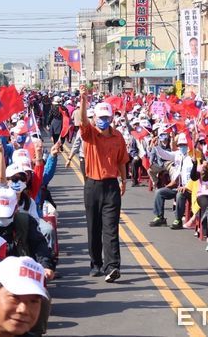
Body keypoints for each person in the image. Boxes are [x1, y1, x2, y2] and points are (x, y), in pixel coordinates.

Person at [79, 86, 130, 282]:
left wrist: (124, 180)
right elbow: (83, 121)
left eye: (106, 117)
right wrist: (83, 99)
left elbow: (122, 161)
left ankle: (112, 266)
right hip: (92, 186)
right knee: (94, 227)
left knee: (111, 228)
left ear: (111, 118)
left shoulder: (118, 137)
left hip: (111, 187)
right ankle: (96, 263)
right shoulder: (89, 133)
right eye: (100, 117)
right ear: (94, 118)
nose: (103, 121)